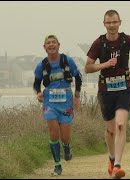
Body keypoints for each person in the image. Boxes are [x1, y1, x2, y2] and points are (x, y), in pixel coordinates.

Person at [84, 10, 130, 179]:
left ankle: (117, 166)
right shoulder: (98, 43)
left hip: (124, 88)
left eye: (114, 22)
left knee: (121, 124)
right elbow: (87, 67)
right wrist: (105, 64)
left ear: (120, 22)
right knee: (110, 131)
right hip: (106, 90)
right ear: (104, 24)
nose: (112, 26)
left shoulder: (127, 40)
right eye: (108, 23)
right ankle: (111, 158)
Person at [33, 35, 82, 176]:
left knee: (65, 137)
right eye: (48, 43)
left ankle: (66, 147)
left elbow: (78, 78)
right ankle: (57, 165)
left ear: (58, 45)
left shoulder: (68, 60)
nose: (51, 44)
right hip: (50, 103)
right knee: (53, 132)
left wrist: (77, 97)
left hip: (66, 101)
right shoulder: (41, 65)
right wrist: (38, 93)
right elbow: (36, 83)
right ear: (44, 47)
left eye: (53, 42)